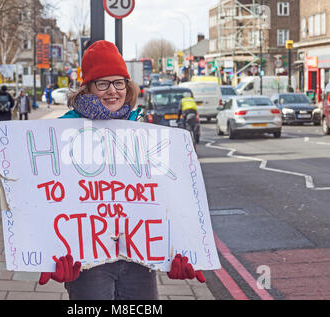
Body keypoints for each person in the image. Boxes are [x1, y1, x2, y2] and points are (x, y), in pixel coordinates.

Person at [37, 40, 205, 300]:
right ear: (88, 88)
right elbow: (49, 196)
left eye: (119, 82)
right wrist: (50, 254)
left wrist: (179, 249)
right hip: (88, 260)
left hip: (138, 258)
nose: (112, 91)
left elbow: (167, 194)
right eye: (102, 83)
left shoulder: (142, 129)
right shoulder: (63, 132)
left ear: (128, 87)